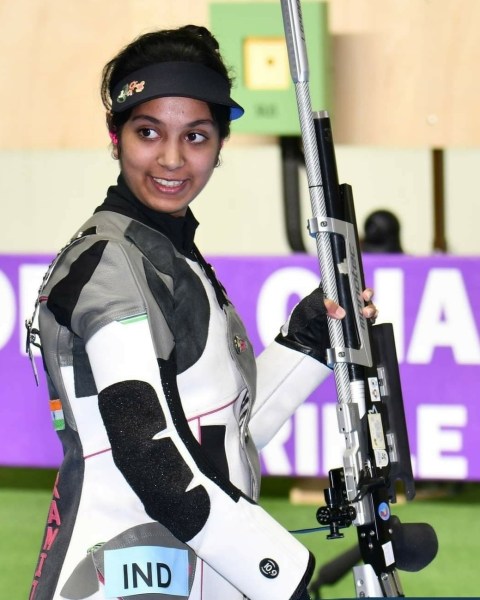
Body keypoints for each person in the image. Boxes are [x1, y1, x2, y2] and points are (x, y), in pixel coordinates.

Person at [28, 25, 377, 600]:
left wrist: (309, 341)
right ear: (115, 138)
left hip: (187, 570)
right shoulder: (111, 264)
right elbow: (151, 453)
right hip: (122, 576)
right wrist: (274, 569)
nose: (171, 158)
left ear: (220, 146)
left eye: (195, 136)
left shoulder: (167, 253)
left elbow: (219, 437)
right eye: (148, 133)